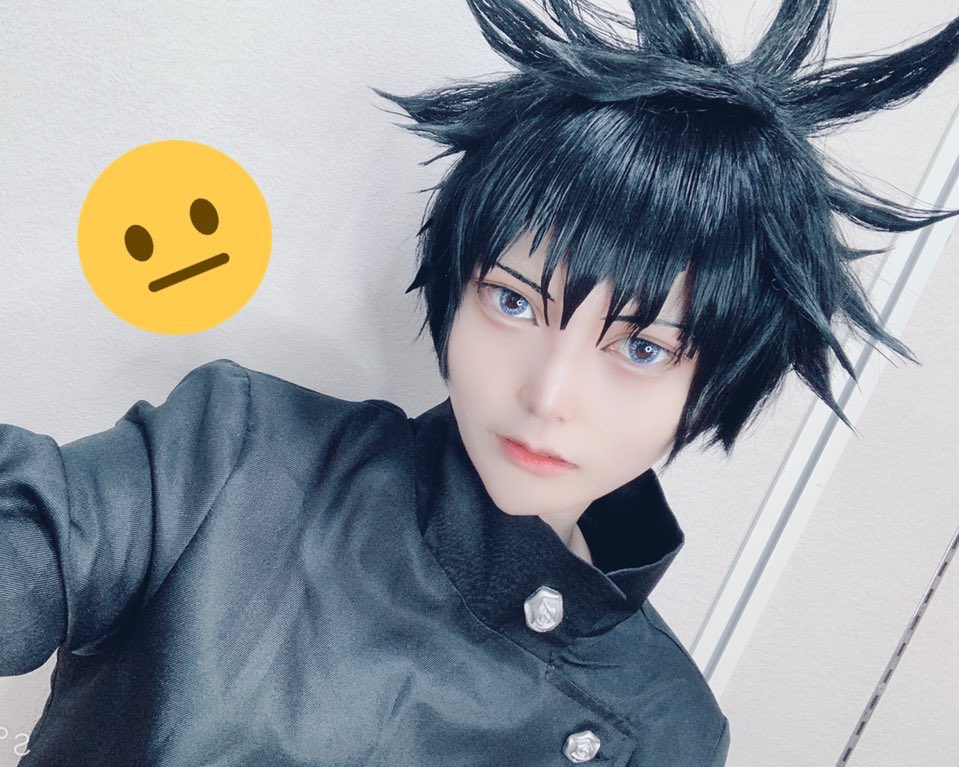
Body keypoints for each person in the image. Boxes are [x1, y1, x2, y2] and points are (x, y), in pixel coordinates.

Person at [2, 1, 958, 765]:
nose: (548, 393)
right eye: (512, 302)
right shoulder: (238, 448)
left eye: (639, 349)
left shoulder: (667, 728)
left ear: (710, 386)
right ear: (455, 291)